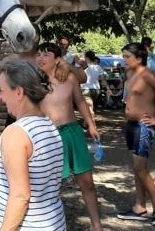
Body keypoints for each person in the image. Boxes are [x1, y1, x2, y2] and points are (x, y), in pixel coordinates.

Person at [0, 60, 65, 231]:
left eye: (3, 91)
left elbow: (20, 196)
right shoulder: (49, 126)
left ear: (19, 92)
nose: (0, 97)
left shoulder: (16, 134)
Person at [36, 43, 104, 231]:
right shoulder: (34, 81)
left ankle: (97, 226)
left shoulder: (70, 77)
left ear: (58, 59)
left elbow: (80, 101)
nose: (40, 58)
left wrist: (90, 125)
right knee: (50, 186)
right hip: (48, 136)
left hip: (73, 132)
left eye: (46, 54)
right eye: (38, 55)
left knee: (87, 183)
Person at [116, 42, 155, 225]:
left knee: (140, 168)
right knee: (136, 169)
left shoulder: (147, 74)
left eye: (127, 57)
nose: (124, 60)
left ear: (139, 59)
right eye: (123, 56)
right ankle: (139, 207)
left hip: (144, 126)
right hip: (131, 125)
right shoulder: (129, 73)